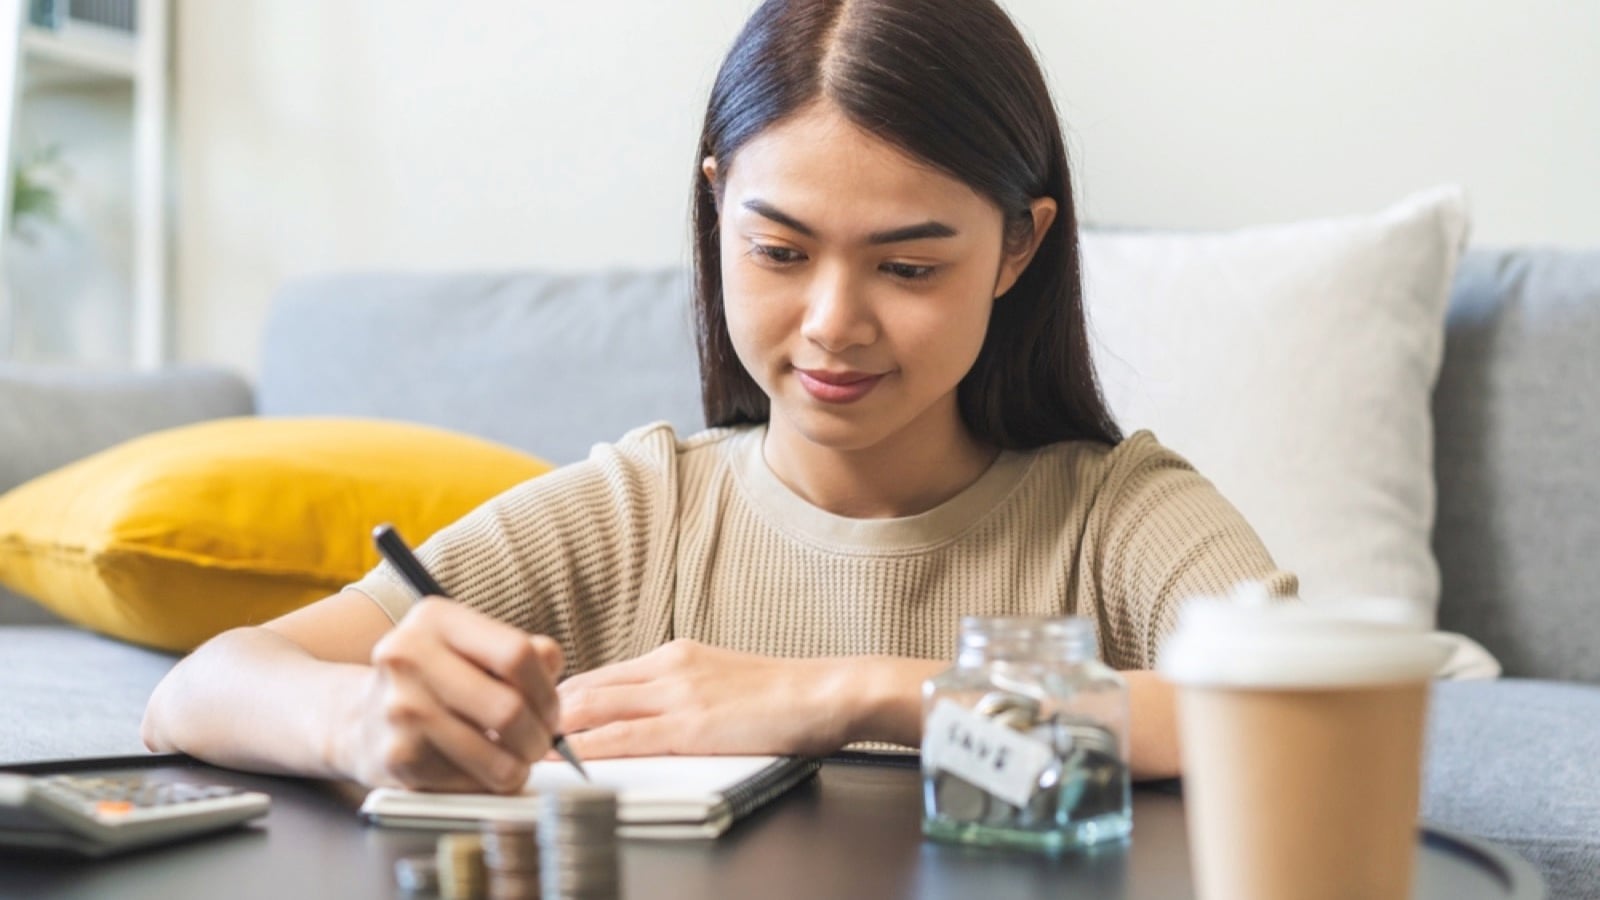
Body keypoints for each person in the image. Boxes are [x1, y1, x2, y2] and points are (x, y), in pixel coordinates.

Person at [142, 0, 1295, 795]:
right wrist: (360, 727)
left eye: (907, 267)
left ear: (1015, 248)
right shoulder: (639, 514)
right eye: (780, 252)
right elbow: (202, 691)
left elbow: (1312, 714)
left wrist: (843, 696)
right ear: (716, 214)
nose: (833, 322)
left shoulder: (1112, 515)